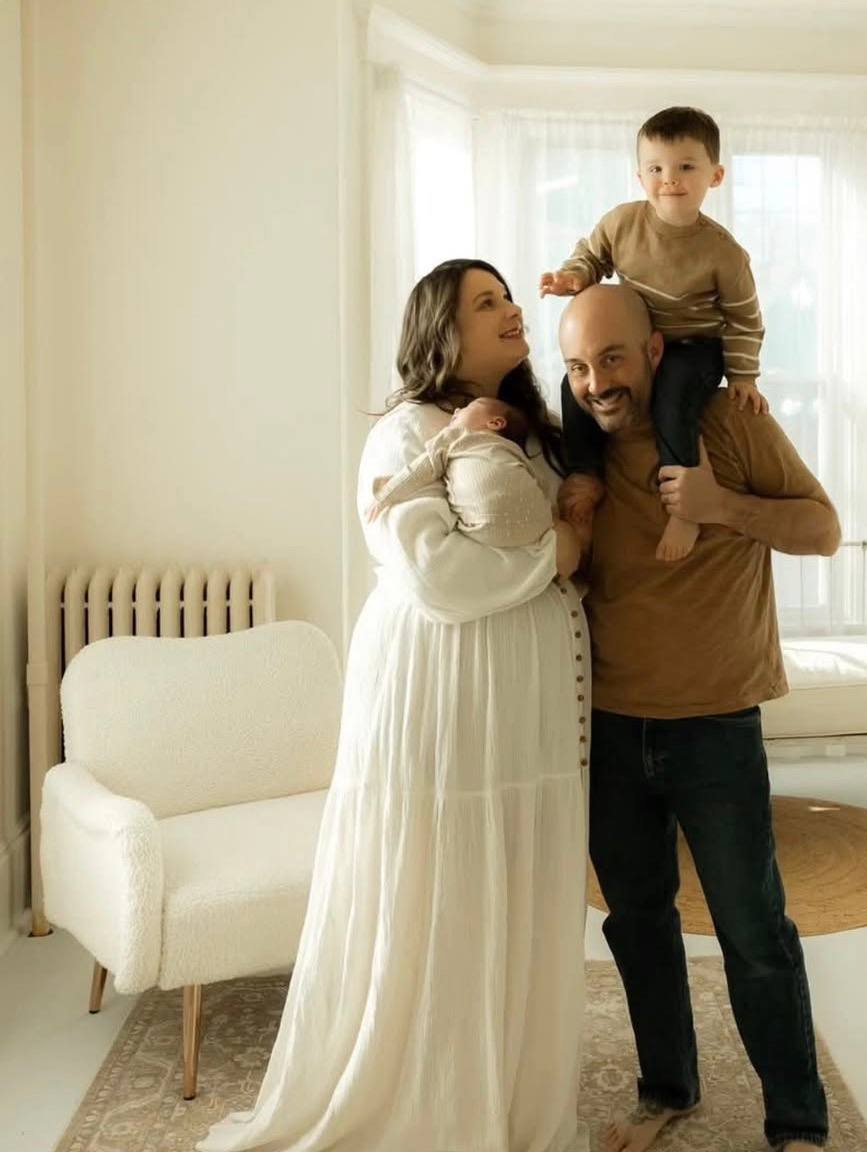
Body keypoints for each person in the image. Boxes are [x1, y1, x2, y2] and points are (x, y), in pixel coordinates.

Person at [198, 259, 589, 1152]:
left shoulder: (537, 433)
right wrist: (555, 557)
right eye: (484, 302)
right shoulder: (403, 432)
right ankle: (429, 1105)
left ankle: (509, 1099)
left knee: (512, 892)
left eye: (507, 296)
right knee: (443, 886)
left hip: (524, 706)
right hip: (442, 690)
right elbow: (437, 576)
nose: (509, 310)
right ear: (440, 330)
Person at [558, 284, 840, 1152]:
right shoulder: (576, 458)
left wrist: (725, 509)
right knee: (635, 924)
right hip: (606, 727)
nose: (594, 383)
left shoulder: (726, 421)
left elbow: (822, 529)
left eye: (611, 358)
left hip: (715, 725)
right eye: (574, 367)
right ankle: (666, 1090)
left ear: (653, 352)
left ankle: (796, 1122)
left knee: (753, 932)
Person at [540, 106, 769, 564]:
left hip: (694, 346)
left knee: (675, 391)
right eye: (656, 168)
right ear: (640, 175)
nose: (671, 179)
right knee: (574, 384)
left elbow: (744, 320)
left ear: (715, 176)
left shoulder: (724, 254)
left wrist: (744, 376)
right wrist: (572, 277)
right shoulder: (623, 223)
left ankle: (683, 498)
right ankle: (586, 472)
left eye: (687, 167)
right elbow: (592, 255)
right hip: (641, 341)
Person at [363, 395, 558, 552]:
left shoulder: (456, 437)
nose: (456, 411)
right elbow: (539, 482)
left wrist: (386, 494)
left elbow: (421, 468)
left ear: (495, 423)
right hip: (536, 527)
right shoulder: (514, 454)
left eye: (469, 407)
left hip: (483, 528)